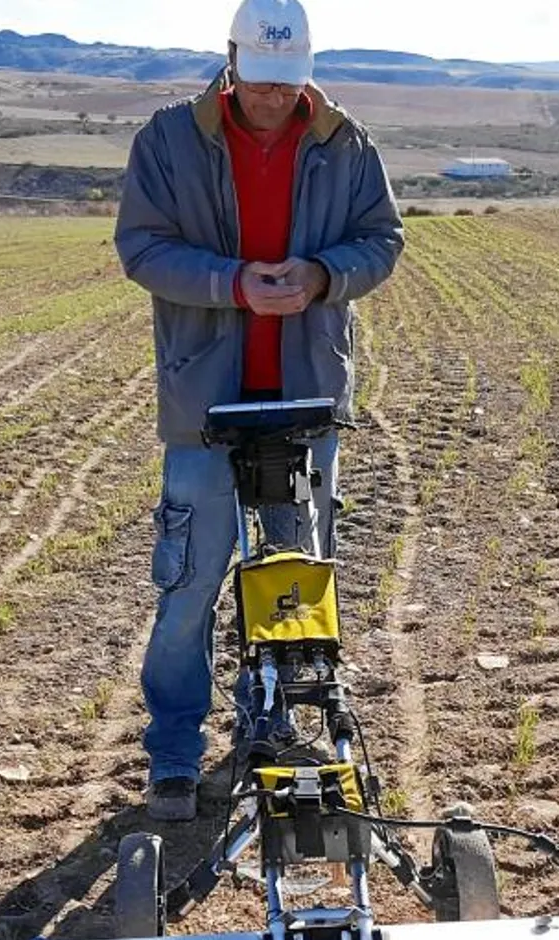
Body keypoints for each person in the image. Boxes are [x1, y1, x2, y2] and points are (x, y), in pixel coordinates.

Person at [114, 0, 404, 821]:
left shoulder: (346, 143)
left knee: (295, 577)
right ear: (230, 64)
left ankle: (272, 725)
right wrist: (233, 284)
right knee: (191, 582)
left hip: (308, 398)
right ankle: (174, 752)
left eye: (290, 84)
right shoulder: (169, 141)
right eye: (261, 82)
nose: (275, 99)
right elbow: (142, 246)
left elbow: (383, 239)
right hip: (206, 401)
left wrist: (319, 276)